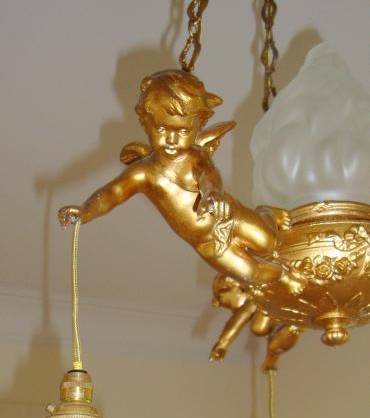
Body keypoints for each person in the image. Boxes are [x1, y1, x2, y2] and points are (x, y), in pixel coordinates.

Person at [59, 69, 305, 294]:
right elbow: (113, 193)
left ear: (198, 127)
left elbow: (208, 176)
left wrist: (212, 195)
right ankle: (285, 276)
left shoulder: (195, 157)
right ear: (145, 123)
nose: (172, 139)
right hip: (205, 242)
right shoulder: (144, 173)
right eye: (162, 129)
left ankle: (267, 215)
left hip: (228, 215)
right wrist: (85, 211)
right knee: (250, 274)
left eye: (183, 131)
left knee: (268, 242)